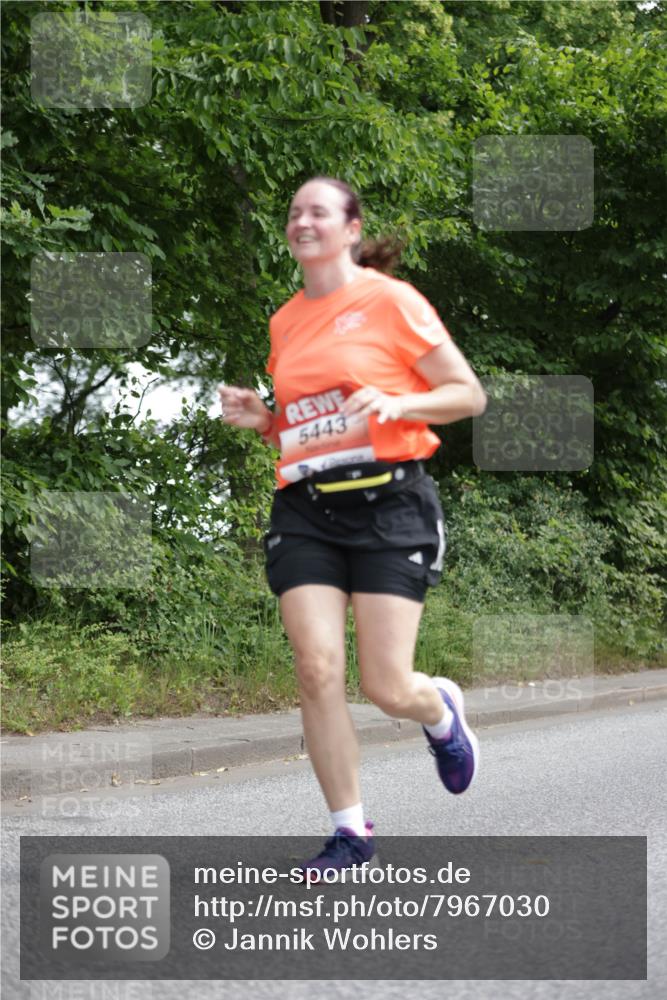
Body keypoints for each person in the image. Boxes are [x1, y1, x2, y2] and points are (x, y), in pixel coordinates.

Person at [218, 176, 486, 881]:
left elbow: (466, 394)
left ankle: (438, 710)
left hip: (391, 506)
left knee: (387, 687)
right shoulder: (285, 321)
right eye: (294, 212)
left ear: (351, 229)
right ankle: (350, 833)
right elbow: (308, 423)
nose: (302, 221)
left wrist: (398, 402)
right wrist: (265, 419)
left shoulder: (391, 301)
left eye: (319, 211)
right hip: (306, 509)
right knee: (315, 668)